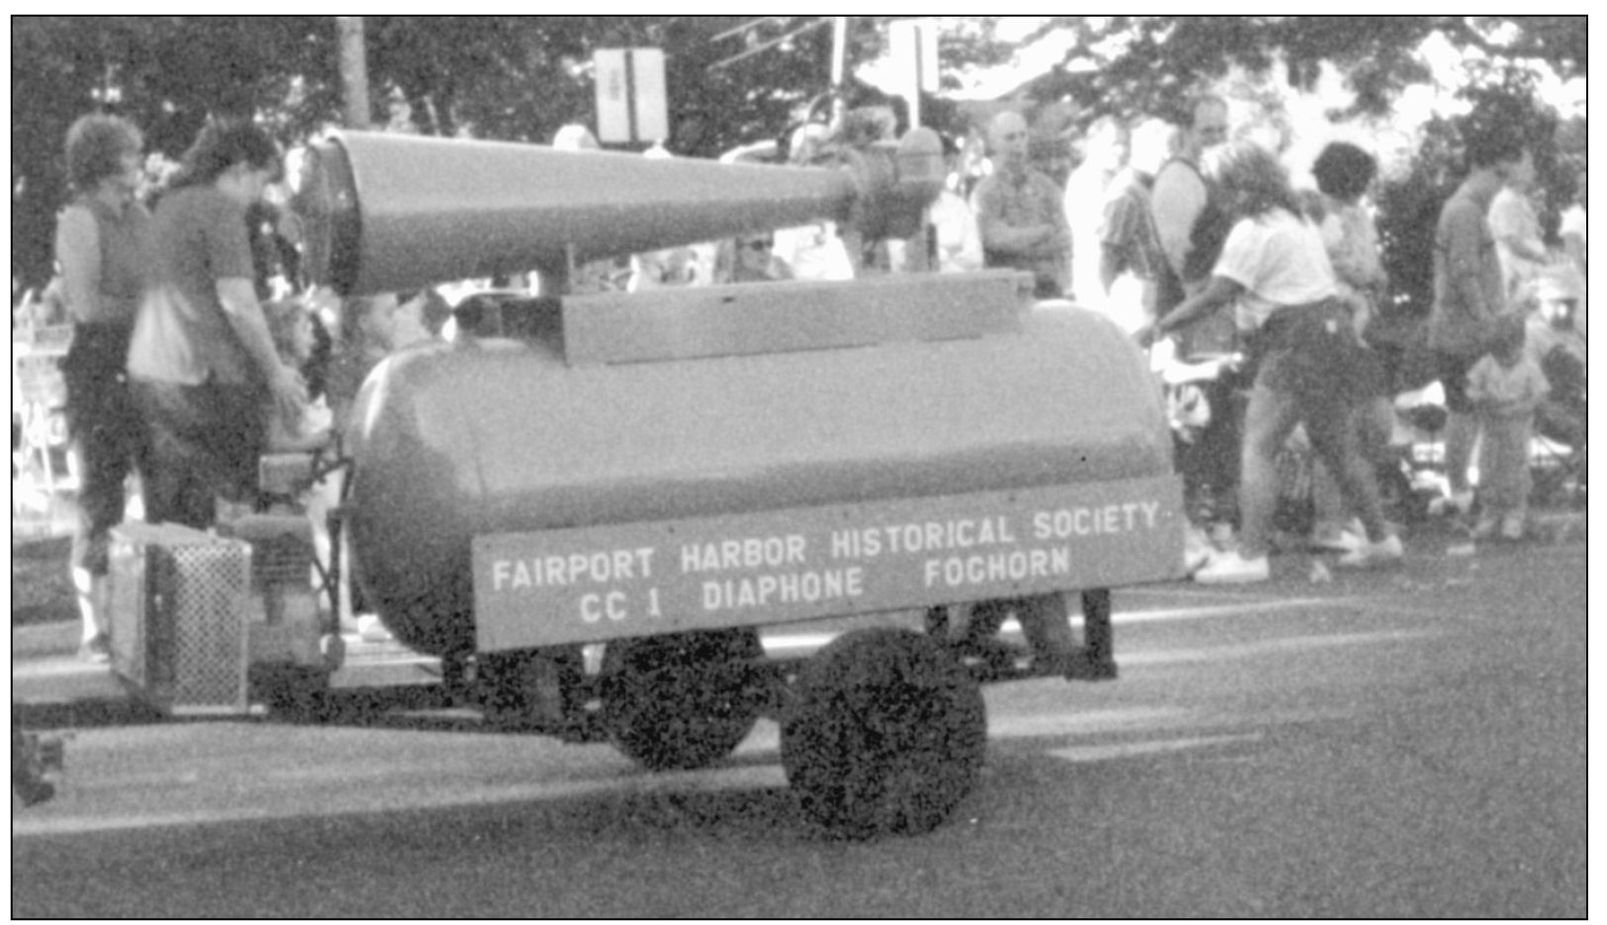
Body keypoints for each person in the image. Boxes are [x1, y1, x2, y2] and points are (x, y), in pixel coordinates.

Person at [1139, 141, 1400, 583]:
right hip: (1330, 331)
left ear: (1236, 185)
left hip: (1294, 338)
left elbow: (1218, 294)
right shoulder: (1295, 219)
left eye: (1217, 185)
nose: (1212, 194)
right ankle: (1379, 537)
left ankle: (1251, 553)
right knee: (1336, 445)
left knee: (1257, 445)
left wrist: (1160, 326)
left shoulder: (1251, 231)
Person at [126, 121, 307, 530]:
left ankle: (166, 594)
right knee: (234, 517)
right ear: (241, 169)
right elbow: (237, 301)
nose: (257, 196)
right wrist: (275, 371)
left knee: (170, 525)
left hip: (151, 376)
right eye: (260, 182)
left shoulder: (169, 204)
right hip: (202, 381)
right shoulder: (220, 209)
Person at [53, 113, 156, 662]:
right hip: (99, 367)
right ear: (101, 161)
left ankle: (151, 616)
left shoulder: (140, 214)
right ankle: (95, 626)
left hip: (146, 361)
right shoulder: (79, 219)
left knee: (165, 486)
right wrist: (150, 307)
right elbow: (88, 305)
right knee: (100, 496)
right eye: (129, 152)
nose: (138, 160)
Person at [1426, 121, 1531, 519]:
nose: (1499, 186)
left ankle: (1467, 489)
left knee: (1469, 412)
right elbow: (1464, 271)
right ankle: (1460, 490)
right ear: (1476, 167)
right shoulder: (1465, 209)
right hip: (1461, 332)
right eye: (1497, 175)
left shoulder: (1466, 208)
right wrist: (1489, 319)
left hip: (1466, 329)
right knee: (1464, 412)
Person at [1303, 141, 1396, 552]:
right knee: (1340, 426)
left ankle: (1351, 514)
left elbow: (1370, 262)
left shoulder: (1358, 216)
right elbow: (1336, 261)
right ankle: (1329, 521)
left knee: (1364, 426)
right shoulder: (1320, 215)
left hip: (1360, 322)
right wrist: (1368, 276)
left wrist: (1374, 277)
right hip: (1335, 320)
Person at [1150, 94, 1232, 354]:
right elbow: (1180, 260)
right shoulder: (1178, 178)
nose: (1217, 137)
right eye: (1207, 131)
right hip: (1192, 314)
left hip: (1218, 308)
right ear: (1186, 131)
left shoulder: (1213, 172)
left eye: (1222, 129)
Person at [1465, 315, 1548, 540]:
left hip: (1517, 428)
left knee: (1516, 471)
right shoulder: (1486, 364)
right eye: (1499, 352)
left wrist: (1524, 406)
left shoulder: (1529, 368)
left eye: (1508, 351)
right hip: (1492, 427)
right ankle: (1490, 512)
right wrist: (1483, 398)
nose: (1503, 358)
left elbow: (1539, 395)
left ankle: (1514, 513)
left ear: (1520, 344)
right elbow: (1471, 389)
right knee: (1489, 468)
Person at [971, 110, 1070, 299]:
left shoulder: (1046, 186)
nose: (1018, 143)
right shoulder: (985, 192)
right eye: (1009, 138)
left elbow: (1063, 238)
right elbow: (995, 239)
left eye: (1022, 135)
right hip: (1006, 291)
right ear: (993, 143)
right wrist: (1043, 231)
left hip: (1047, 287)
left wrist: (1019, 242)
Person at [1098, 118, 1174, 334]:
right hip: (1138, 293)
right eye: (1163, 150)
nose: (1168, 158)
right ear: (1141, 149)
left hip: (1160, 290)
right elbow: (1107, 254)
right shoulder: (1125, 193)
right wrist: (1110, 304)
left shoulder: (1153, 186)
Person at [1063, 115, 1130, 307]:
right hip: (1096, 277)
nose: (1121, 151)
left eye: (1125, 144)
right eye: (1114, 143)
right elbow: (1100, 233)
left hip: (1117, 276)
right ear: (1094, 145)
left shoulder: (1117, 179)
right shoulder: (1086, 181)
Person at [1487, 148, 1549, 311]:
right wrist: (1543, 258)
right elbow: (1512, 243)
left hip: (1526, 276)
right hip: (1513, 276)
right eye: (1529, 167)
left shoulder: (1520, 199)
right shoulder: (1506, 201)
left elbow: (1527, 234)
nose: (1534, 171)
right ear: (1514, 170)